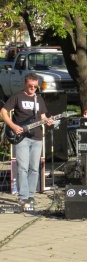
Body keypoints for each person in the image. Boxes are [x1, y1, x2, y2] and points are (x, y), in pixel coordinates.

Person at [1, 73, 53, 207]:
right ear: (25, 84)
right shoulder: (17, 96)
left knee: (34, 168)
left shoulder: (39, 99)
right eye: (30, 86)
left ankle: (31, 196)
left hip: (36, 137)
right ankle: (23, 196)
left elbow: (42, 116)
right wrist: (13, 126)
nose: (33, 88)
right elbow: (3, 111)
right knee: (23, 167)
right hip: (21, 137)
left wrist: (48, 121)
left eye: (35, 87)